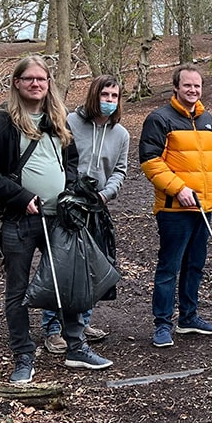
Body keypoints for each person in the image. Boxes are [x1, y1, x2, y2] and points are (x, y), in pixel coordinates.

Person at [0, 56, 113, 383]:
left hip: (60, 218)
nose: (36, 84)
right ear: (17, 83)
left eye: (42, 79)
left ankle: (76, 346)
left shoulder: (58, 118)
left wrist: (71, 193)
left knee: (69, 280)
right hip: (17, 220)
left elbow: (72, 161)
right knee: (18, 289)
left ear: (49, 84)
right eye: (29, 79)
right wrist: (20, 197)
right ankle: (23, 354)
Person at [40, 75, 130, 354]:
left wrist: (106, 194)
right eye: (105, 95)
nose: (109, 101)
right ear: (94, 95)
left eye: (114, 97)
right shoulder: (70, 122)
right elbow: (56, 157)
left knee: (91, 265)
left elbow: (120, 170)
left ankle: (82, 321)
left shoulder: (121, 134)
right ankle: (54, 328)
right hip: (66, 204)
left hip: (96, 206)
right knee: (60, 265)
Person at [140, 65, 212, 348]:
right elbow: (151, 162)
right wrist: (179, 189)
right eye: (187, 85)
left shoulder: (207, 119)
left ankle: (189, 317)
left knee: (195, 265)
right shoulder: (159, 119)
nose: (193, 90)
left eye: (197, 86)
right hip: (174, 209)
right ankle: (162, 324)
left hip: (204, 207)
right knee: (169, 266)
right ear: (175, 87)